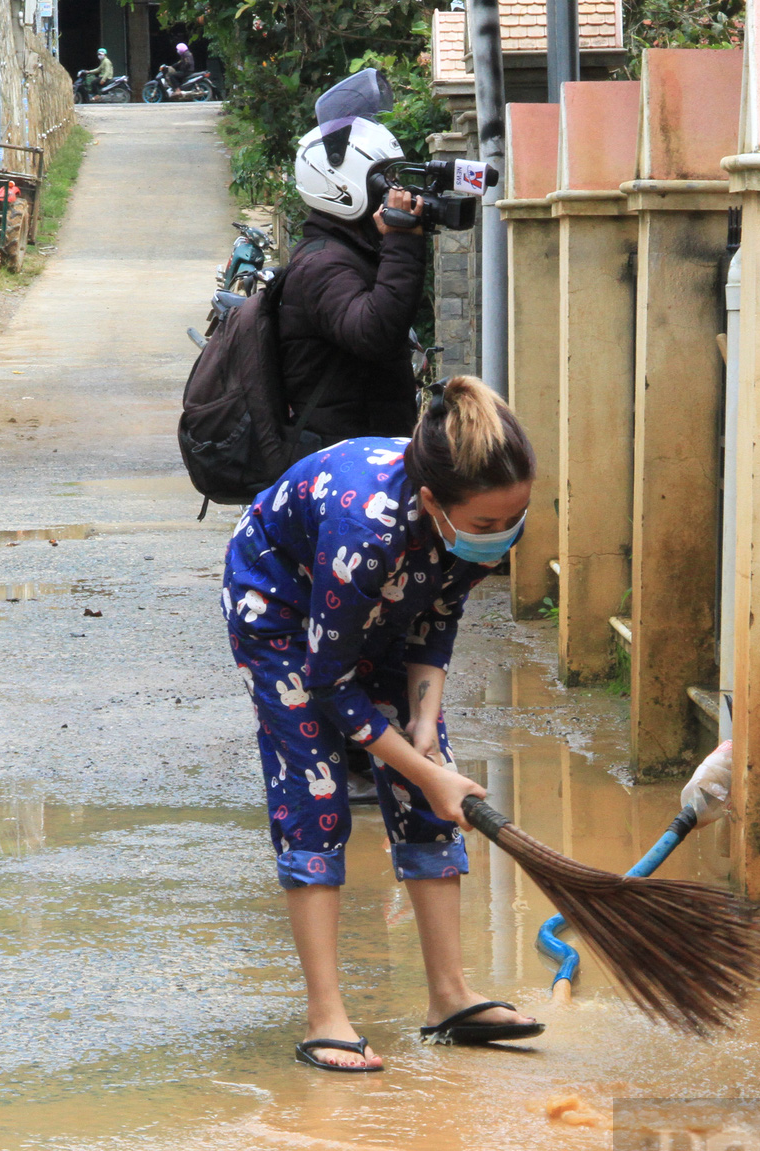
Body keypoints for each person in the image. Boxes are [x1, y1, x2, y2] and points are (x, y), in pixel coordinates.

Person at [221, 377, 544, 1072]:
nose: (502, 537)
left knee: (433, 790)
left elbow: (437, 617)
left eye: (512, 520)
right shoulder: (364, 528)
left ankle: (450, 995)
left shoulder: (472, 517)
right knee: (316, 790)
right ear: (433, 503)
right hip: (280, 604)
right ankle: (325, 1015)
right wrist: (421, 769)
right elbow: (329, 682)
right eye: (487, 526)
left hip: (375, 603)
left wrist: (425, 730)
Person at [277, 112, 427, 452]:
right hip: (340, 464)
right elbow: (375, 334)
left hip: (360, 451)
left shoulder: (348, 252)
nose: (393, 192)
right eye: (382, 182)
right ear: (342, 183)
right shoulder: (321, 265)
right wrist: (402, 244)